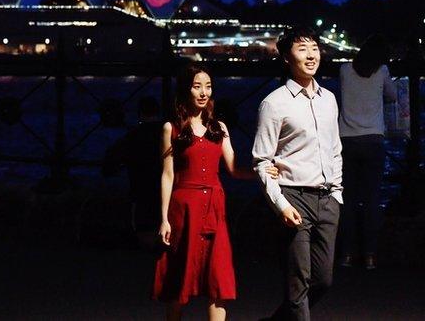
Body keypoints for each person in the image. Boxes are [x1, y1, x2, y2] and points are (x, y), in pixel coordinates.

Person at [153, 64, 275, 321]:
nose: (203, 92)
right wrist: (164, 218)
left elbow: (233, 169)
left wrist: (262, 173)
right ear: (186, 89)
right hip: (184, 208)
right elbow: (167, 174)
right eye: (197, 86)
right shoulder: (171, 128)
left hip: (214, 209)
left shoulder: (219, 127)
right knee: (179, 278)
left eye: (207, 86)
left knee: (217, 278)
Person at [252, 27, 343, 321]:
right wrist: (281, 204)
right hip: (294, 196)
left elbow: (335, 148)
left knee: (324, 280)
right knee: (298, 281)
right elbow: (261, 160)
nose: (311, 54)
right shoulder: (274, 103)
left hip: (327, 199)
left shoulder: (328, 98)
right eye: (302, 48)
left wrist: (337, 193)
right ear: (286, 57)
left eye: (314, 47)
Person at [337, 34, 396, 270]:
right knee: (372, 200)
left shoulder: (344, 70)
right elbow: (392, 96)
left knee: (348, 200)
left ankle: (346, 254)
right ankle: (370, 255)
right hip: (373, 141)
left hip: (347, 141)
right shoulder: (381, 71)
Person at [103, 96, 163, 249]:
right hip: (165, 188)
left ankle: (146, 241)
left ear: (139, 113)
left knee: (143, 223)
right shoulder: (168, 134)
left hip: (140, 187)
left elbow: (111, 163)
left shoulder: (133, 136)